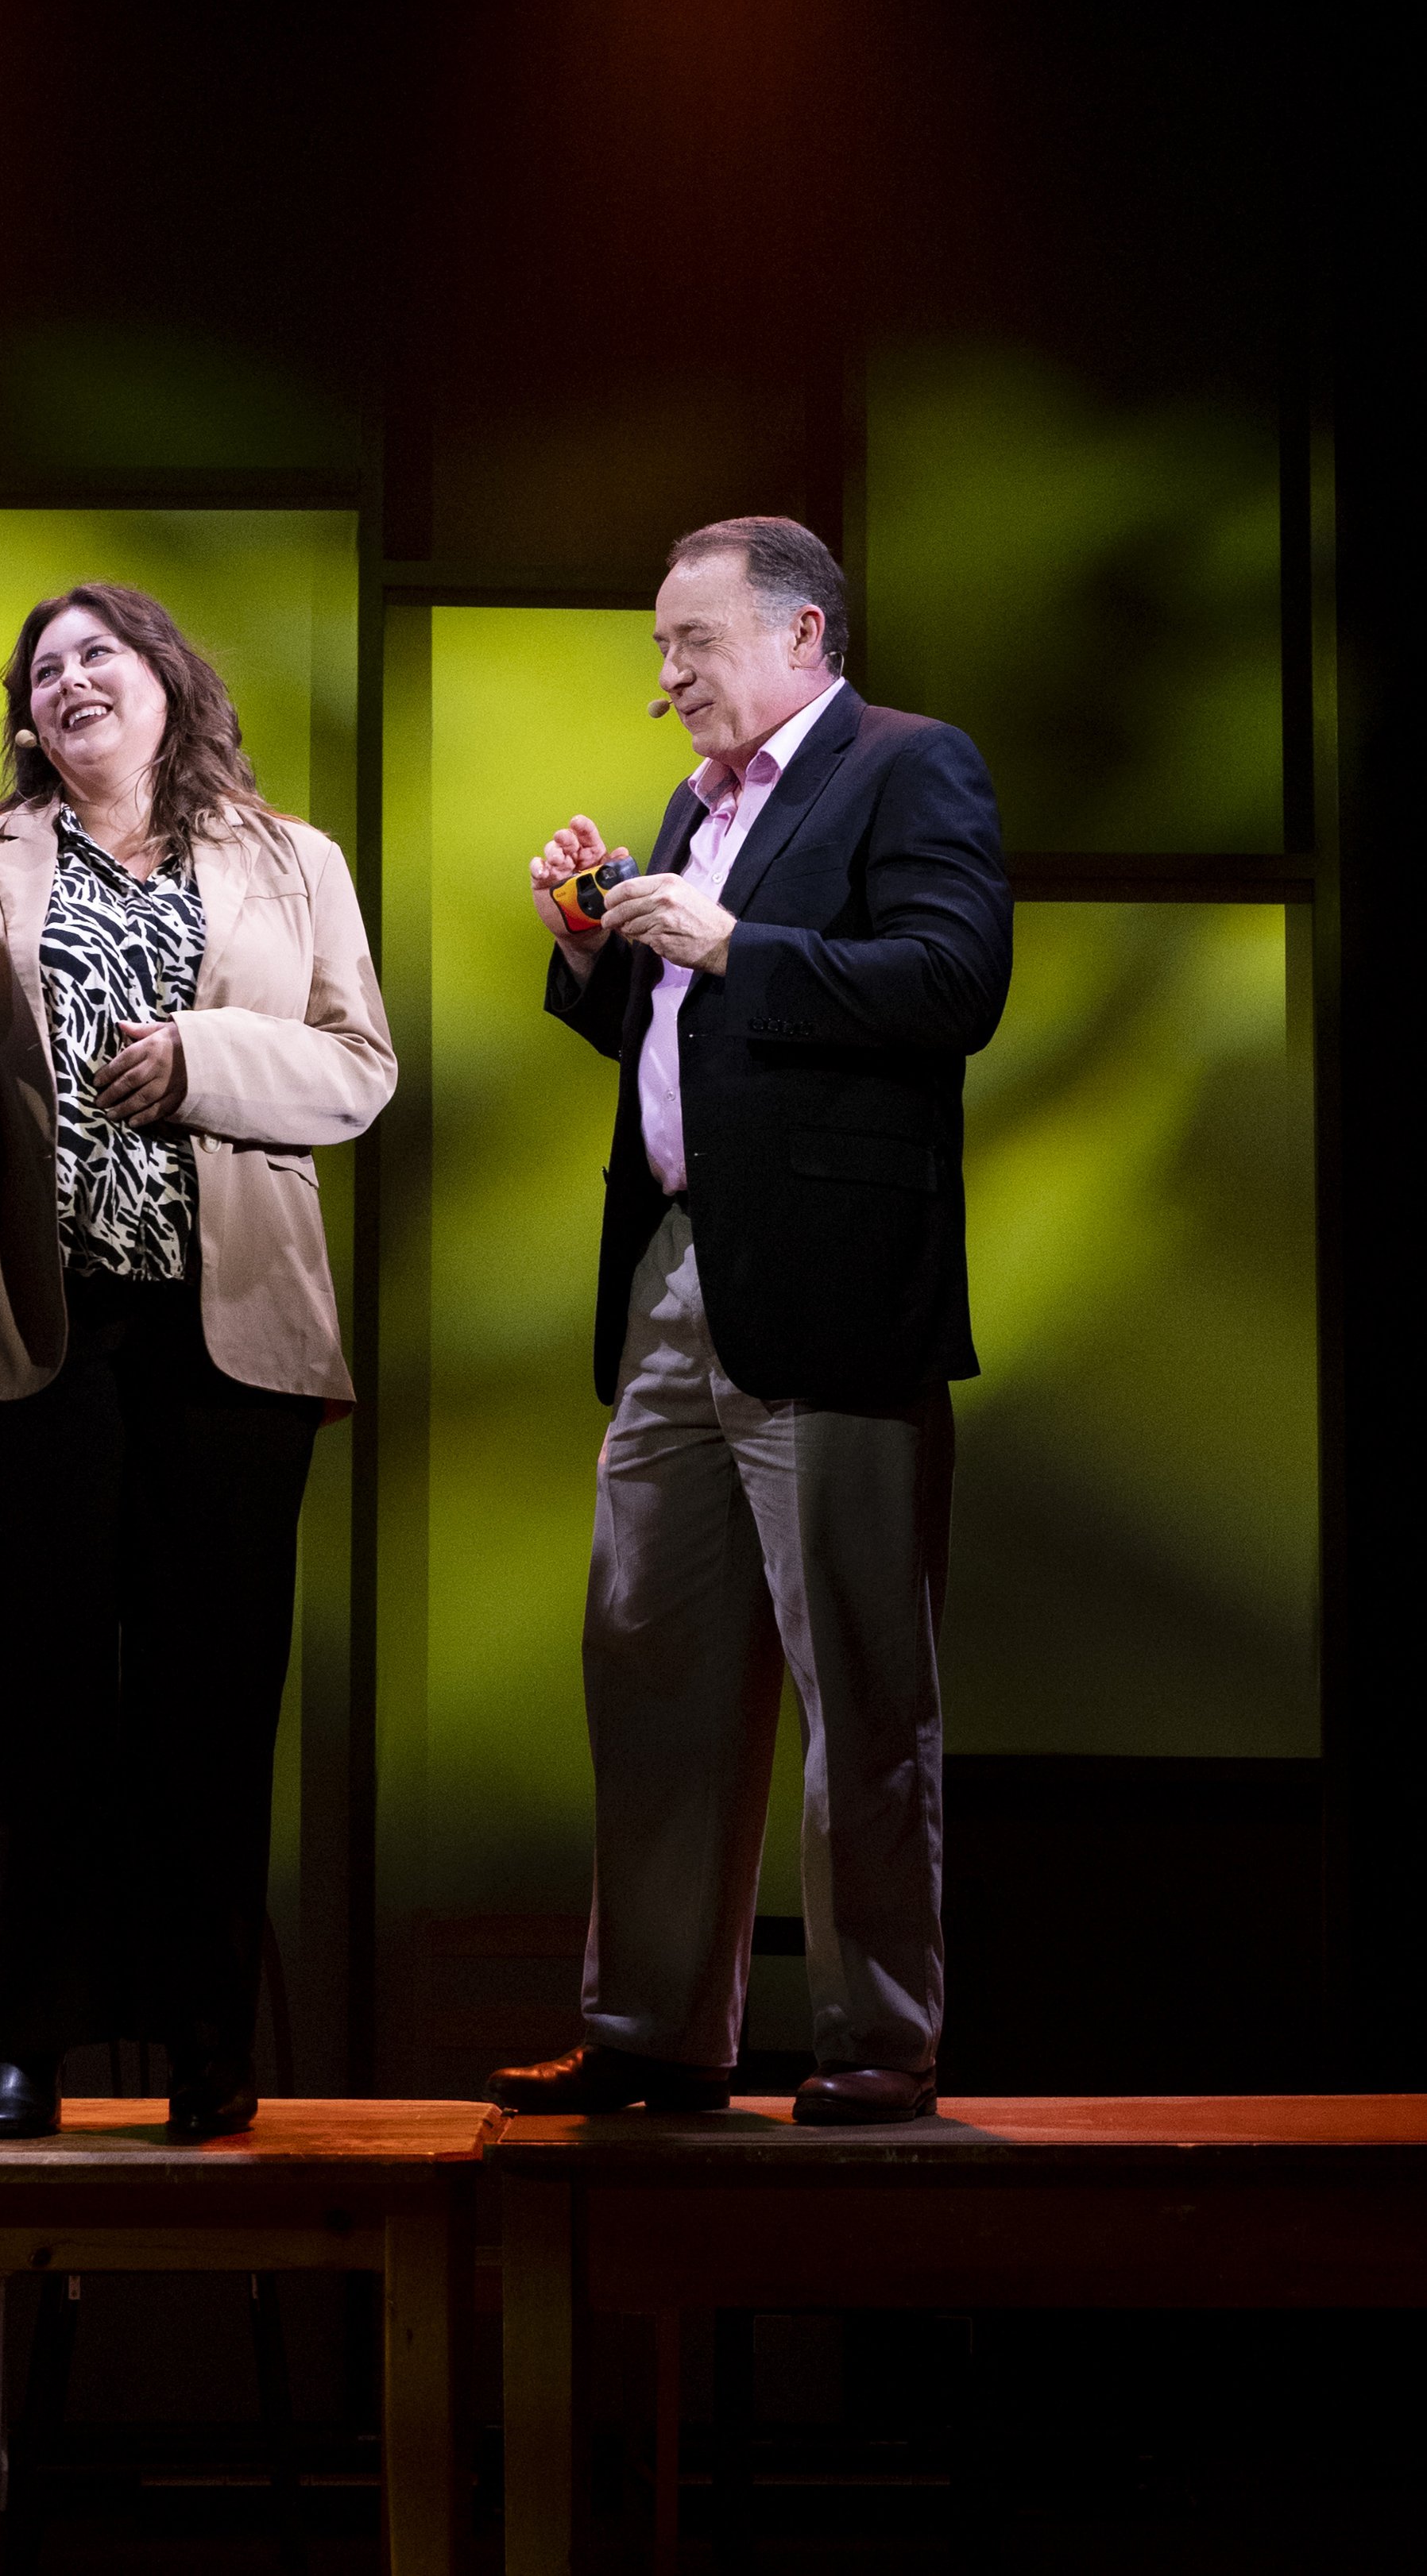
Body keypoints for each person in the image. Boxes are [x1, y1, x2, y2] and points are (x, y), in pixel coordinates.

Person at [0, 582, 394, 2142]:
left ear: (165, 680)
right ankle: (24, 2039)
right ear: (30, 721)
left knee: (211, 1702)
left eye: (102, 652)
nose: (74, 676)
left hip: (234, 1340)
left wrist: (202, 1059)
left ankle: (208, 2037)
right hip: (31, 1329)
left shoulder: (295, 864)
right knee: (37, 1704)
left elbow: (359, 1067)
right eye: (47, 668)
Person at [490, 516, 1011, 2126]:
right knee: (648, 1658)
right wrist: (591, 941)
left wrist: (736, 942)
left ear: (799, 637)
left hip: (834, 1285)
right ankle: (653, 2025)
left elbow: (951, 981)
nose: (663, 676)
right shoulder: (687, 807)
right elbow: (668, 1038)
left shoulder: (906, 767)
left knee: (857, 1676)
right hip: (672, 1272)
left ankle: (875, 2035)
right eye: (660, 645)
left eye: (688, 641)